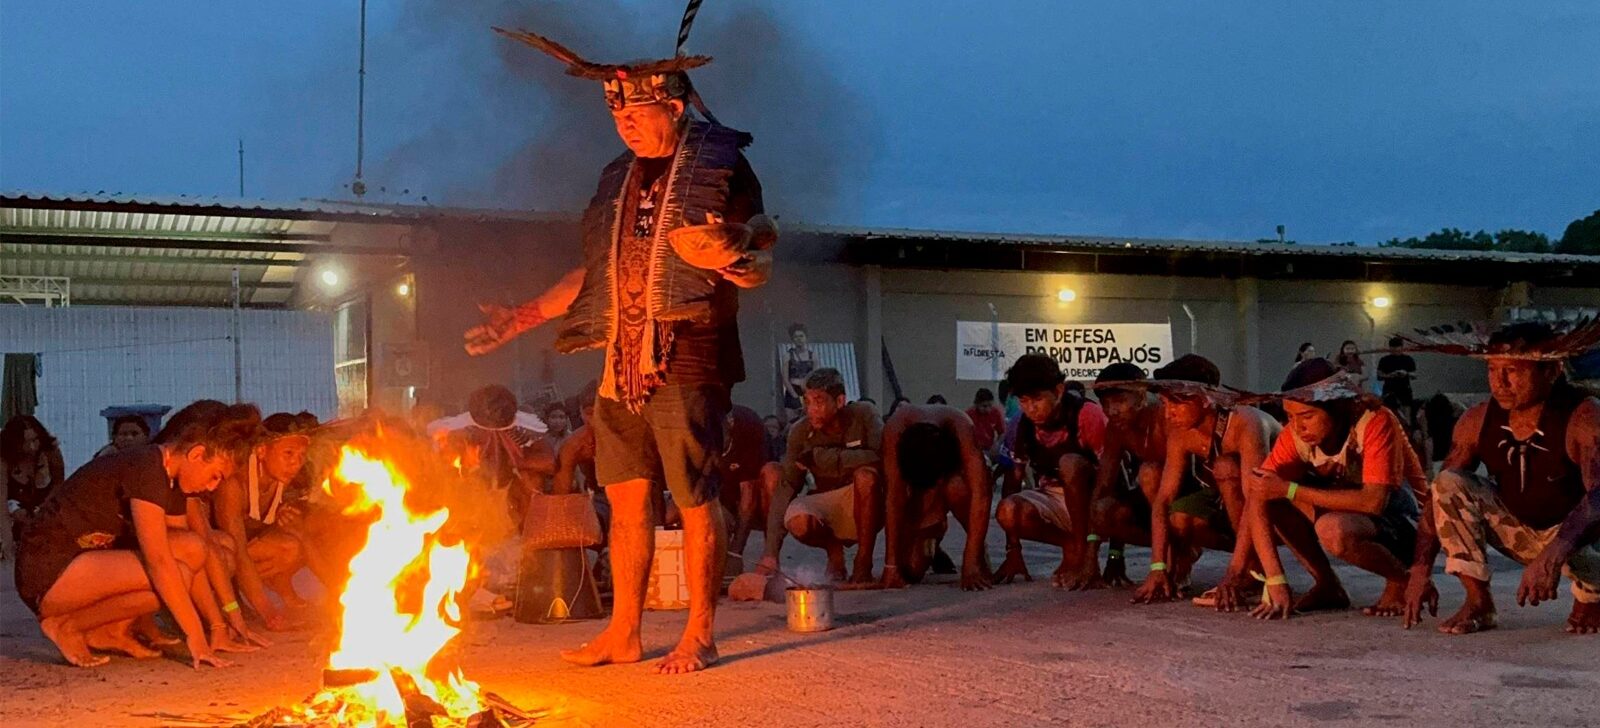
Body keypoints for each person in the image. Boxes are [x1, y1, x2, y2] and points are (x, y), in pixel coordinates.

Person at [468, 13, 777, 674]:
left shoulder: (722, 164)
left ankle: (700, 631)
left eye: (637, 112)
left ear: (672, 105)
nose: (625, 124)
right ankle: (624, 631)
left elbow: (752, 241)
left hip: (688, 358)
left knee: (694, 498)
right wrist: (522, 316)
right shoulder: (617, 179)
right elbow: (596, 272)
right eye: (617, 116)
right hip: (618, 364)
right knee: (627, 501)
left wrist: (737, 258)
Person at [13, 402, 263, 667]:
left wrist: (218, 628)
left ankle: (107, 630)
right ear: (197, 454)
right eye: (215, 476)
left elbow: (195, 553)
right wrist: (196, 638)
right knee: (174, 574)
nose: (212, 487)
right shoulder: (147, 468)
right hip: (46, 572)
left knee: (189, 555)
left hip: (83, 568)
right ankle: (67, 627)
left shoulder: (171, 480)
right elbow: (159, 562)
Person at [1401, 322, 1600, 635]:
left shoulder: (1584, 416)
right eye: (1493, 369)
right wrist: (1420, 569)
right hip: (1523, 532)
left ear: (1552, 371)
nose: (1500, 382)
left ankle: (1592, 596)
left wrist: (1553, 555)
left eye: (1512, 370)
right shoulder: (1476, 420)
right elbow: (1439, 498)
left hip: (1580, 542)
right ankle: (1479, 602)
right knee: (1449, 482)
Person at [1244, 358, 1429, 619]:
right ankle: (1327, 583)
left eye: (1307, 416)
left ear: (1336, 408)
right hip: (1357, 515)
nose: (1298, 427)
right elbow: (1259, 493)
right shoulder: (1295, 435)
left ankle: (1404, 579)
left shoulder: (1374, 422)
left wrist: (1290, 490)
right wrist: (1275, 579)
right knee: (1272, 495)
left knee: (1332, 529)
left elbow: (1373, 502)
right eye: (1290, 417)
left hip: (1411, 522)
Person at [1135, 355, 1279, 610]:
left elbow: (1255, 498)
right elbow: (1163, 499)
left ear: (1204, 399)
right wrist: (1157, 566)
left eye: (1176, 404)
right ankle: (1187, 562)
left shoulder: (1245, 422)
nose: (1168, 413)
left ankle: (1252, 570)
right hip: (1229, 503)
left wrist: (1233, 572)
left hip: (1281, 505)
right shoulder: (1181, 431)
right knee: (1179, 516)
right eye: (1165, 403)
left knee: (1225, 467)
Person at [759, 368, 883, 583]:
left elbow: (881, 456)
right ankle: (834, 552)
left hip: (863, 500)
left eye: (818, 401)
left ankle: (864, 561)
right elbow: (787, 486)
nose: (811, 409)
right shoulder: (800, 431)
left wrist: (822, 457)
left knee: (866, 476)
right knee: (798, 520)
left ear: (840, 401)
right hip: (825, 498)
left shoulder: (864, 415)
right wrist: (770, 554)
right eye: (807, 402)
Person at [993, 354, 1107, 585]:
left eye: (1036, 399)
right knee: (1007, 510)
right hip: (1054, 498)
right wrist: (1013, 549)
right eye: (1023, 401)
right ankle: (1072, 546)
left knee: (1069, 463)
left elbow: (1114, 478)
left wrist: (1115, 557)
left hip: (1096, 502)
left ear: (1058, 390)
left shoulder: (1088, 415)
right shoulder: (1020, 424)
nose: (1031, 409)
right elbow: (1013, 481)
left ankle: (1084, 551)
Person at [206, 411, 323, 629]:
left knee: (292, 544)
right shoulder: (233, 484)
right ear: (261, 450)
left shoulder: (279, 477)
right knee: (232, 553)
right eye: (288, 453)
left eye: (301, 455)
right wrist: (268, 613)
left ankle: (286, 596)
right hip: (214, 557)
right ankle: (221, 603)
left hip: (238, 551)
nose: (295, 463)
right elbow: (239, 548)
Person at [879, 403, 994, 590]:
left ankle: (978, 549)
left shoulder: (962, 426)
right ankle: (933, 537)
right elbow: (893, 497)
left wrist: (971, 560)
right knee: (910, 571)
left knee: (957, 487)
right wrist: (890, 565)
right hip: (918, 488)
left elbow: (981, 495)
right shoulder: (894, 429)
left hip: (953, 480)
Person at [1066, 363, 1161, 591]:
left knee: (1150, 474)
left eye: (1119, 401)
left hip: (1183, 504)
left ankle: (1180, 556)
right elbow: (1104, 486)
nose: (1112, 411)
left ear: (1140, 396)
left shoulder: (1163, 418)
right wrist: (1096, 558)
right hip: (1152, 503)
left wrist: (1160, 567)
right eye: (1106, 404)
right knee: (1103, 509)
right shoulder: (1117, 429)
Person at [722, 404, 780, 560]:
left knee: (772, 473)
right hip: (721, 498)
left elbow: (749, 497)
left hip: (757, 498)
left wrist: (736, 553)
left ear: (730, 422)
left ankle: (770, 555)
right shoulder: (695, 430)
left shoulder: (749, 426)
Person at [5, 416, 67, 546]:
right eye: (25, 442)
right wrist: (12, 510)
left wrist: (45, 507)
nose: (32, 447)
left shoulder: (51, 453)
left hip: (46, 516)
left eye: (35, 440)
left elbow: (59, 485)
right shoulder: (4, 460)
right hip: (13, 519)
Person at [783, 323, 817, 424]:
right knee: (792, 422)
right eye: (796, 337)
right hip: (792, 390)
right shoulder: (788, 355)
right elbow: (785, 378)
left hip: (808, 391)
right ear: (792, 339)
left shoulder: (813, 356)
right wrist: (794, 395)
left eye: (801, 336)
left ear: (806, 337)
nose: (799, 339)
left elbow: (815, 377)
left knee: (808, 420)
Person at [966, 388, 1006, 462]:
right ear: (976, 404)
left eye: (990, 406)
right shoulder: (969, 415)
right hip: (974, 450)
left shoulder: (995, 412)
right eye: (984, 406)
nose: (988, 409)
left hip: (989, 450)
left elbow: (1002, 433)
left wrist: (997, 444)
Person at [1376, 337, 1419, 405]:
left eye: (1397, 347)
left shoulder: (1408, 359)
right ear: (1390, 348)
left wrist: (1406, 374)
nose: (1396, 350)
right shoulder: (1384, 360)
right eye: (1393, 348)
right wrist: (1390, 375)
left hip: (1404, 390)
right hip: (1389, 390)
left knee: (1406, 410)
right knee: (1390, 411)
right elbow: (1379, 376)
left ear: (1401, 347)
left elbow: (1414, 375)